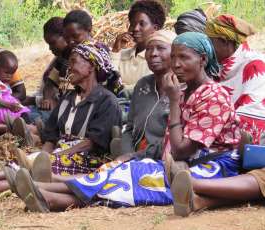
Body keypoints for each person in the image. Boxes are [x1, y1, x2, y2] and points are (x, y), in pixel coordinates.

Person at [12, 32, 242, 213]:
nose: (177, 64)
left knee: (132, 177)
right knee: (126, 172)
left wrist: (173, 102)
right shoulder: (183, 92)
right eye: (175, 57)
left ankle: (48, 192)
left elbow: (181, 151)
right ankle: (48, 194)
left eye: (184, 57)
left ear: (202, 59)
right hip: (180, 165)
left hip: (212, 169)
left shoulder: (213, 95)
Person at [0, 41, 123, 194]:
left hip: (88, 159)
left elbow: (91, 144)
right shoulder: (69, 97)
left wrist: (53, 157)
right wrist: (43, 155)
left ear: (91, 67)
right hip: (63, 152)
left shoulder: (107, 101)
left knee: (46, 167)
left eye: (73, 62)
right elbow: (52, 136)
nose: (69, 68)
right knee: (28, 162)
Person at [114, 30, 177, 160]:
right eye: (149, 49)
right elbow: (130, 127)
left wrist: (135, 156)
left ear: (175, 53)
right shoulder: (143, 84)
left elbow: (173, 141)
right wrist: (126, 154)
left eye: (160, 48)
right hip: (133, 157)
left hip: (163, 160)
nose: (153, 54)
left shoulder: (182, 90)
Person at [204, 14, 265, 142]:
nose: (206, 49)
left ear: (225, 41)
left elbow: (253, 114)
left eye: (209, 42)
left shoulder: (256, 65)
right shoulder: (215, 66)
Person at [111, 0, 166, 94]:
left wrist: (119, 86)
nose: (135, 28)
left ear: (155, 29)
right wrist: (116, 51)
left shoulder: (158, 59)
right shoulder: (121, 55)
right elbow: (107, 81)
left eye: (142, 24)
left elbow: (144, 89)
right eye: (132, 24)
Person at [23, 17, 70, 124]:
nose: (50, 48)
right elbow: (50, 83)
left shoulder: (79, 59)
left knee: (37, 117)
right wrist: (47, 99)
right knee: (26, 113)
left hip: (70, 109)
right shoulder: (61, 59)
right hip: (55, 105)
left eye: (52, 43)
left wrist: (38, 100)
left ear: (65, 36)